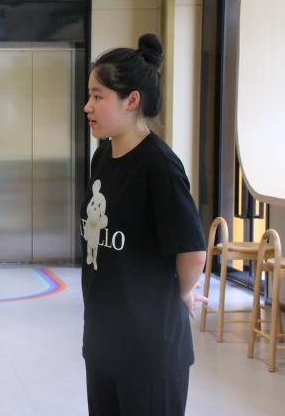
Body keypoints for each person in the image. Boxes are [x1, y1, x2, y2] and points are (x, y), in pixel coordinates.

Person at [80, 34, 207, 416]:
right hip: (103, 342)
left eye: (98, 96)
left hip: (150, 352)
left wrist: (178, 293)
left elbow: (192, 252)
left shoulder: (159, 166)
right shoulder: (103, 156)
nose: (88, 106)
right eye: (89, 95)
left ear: (131, 100)